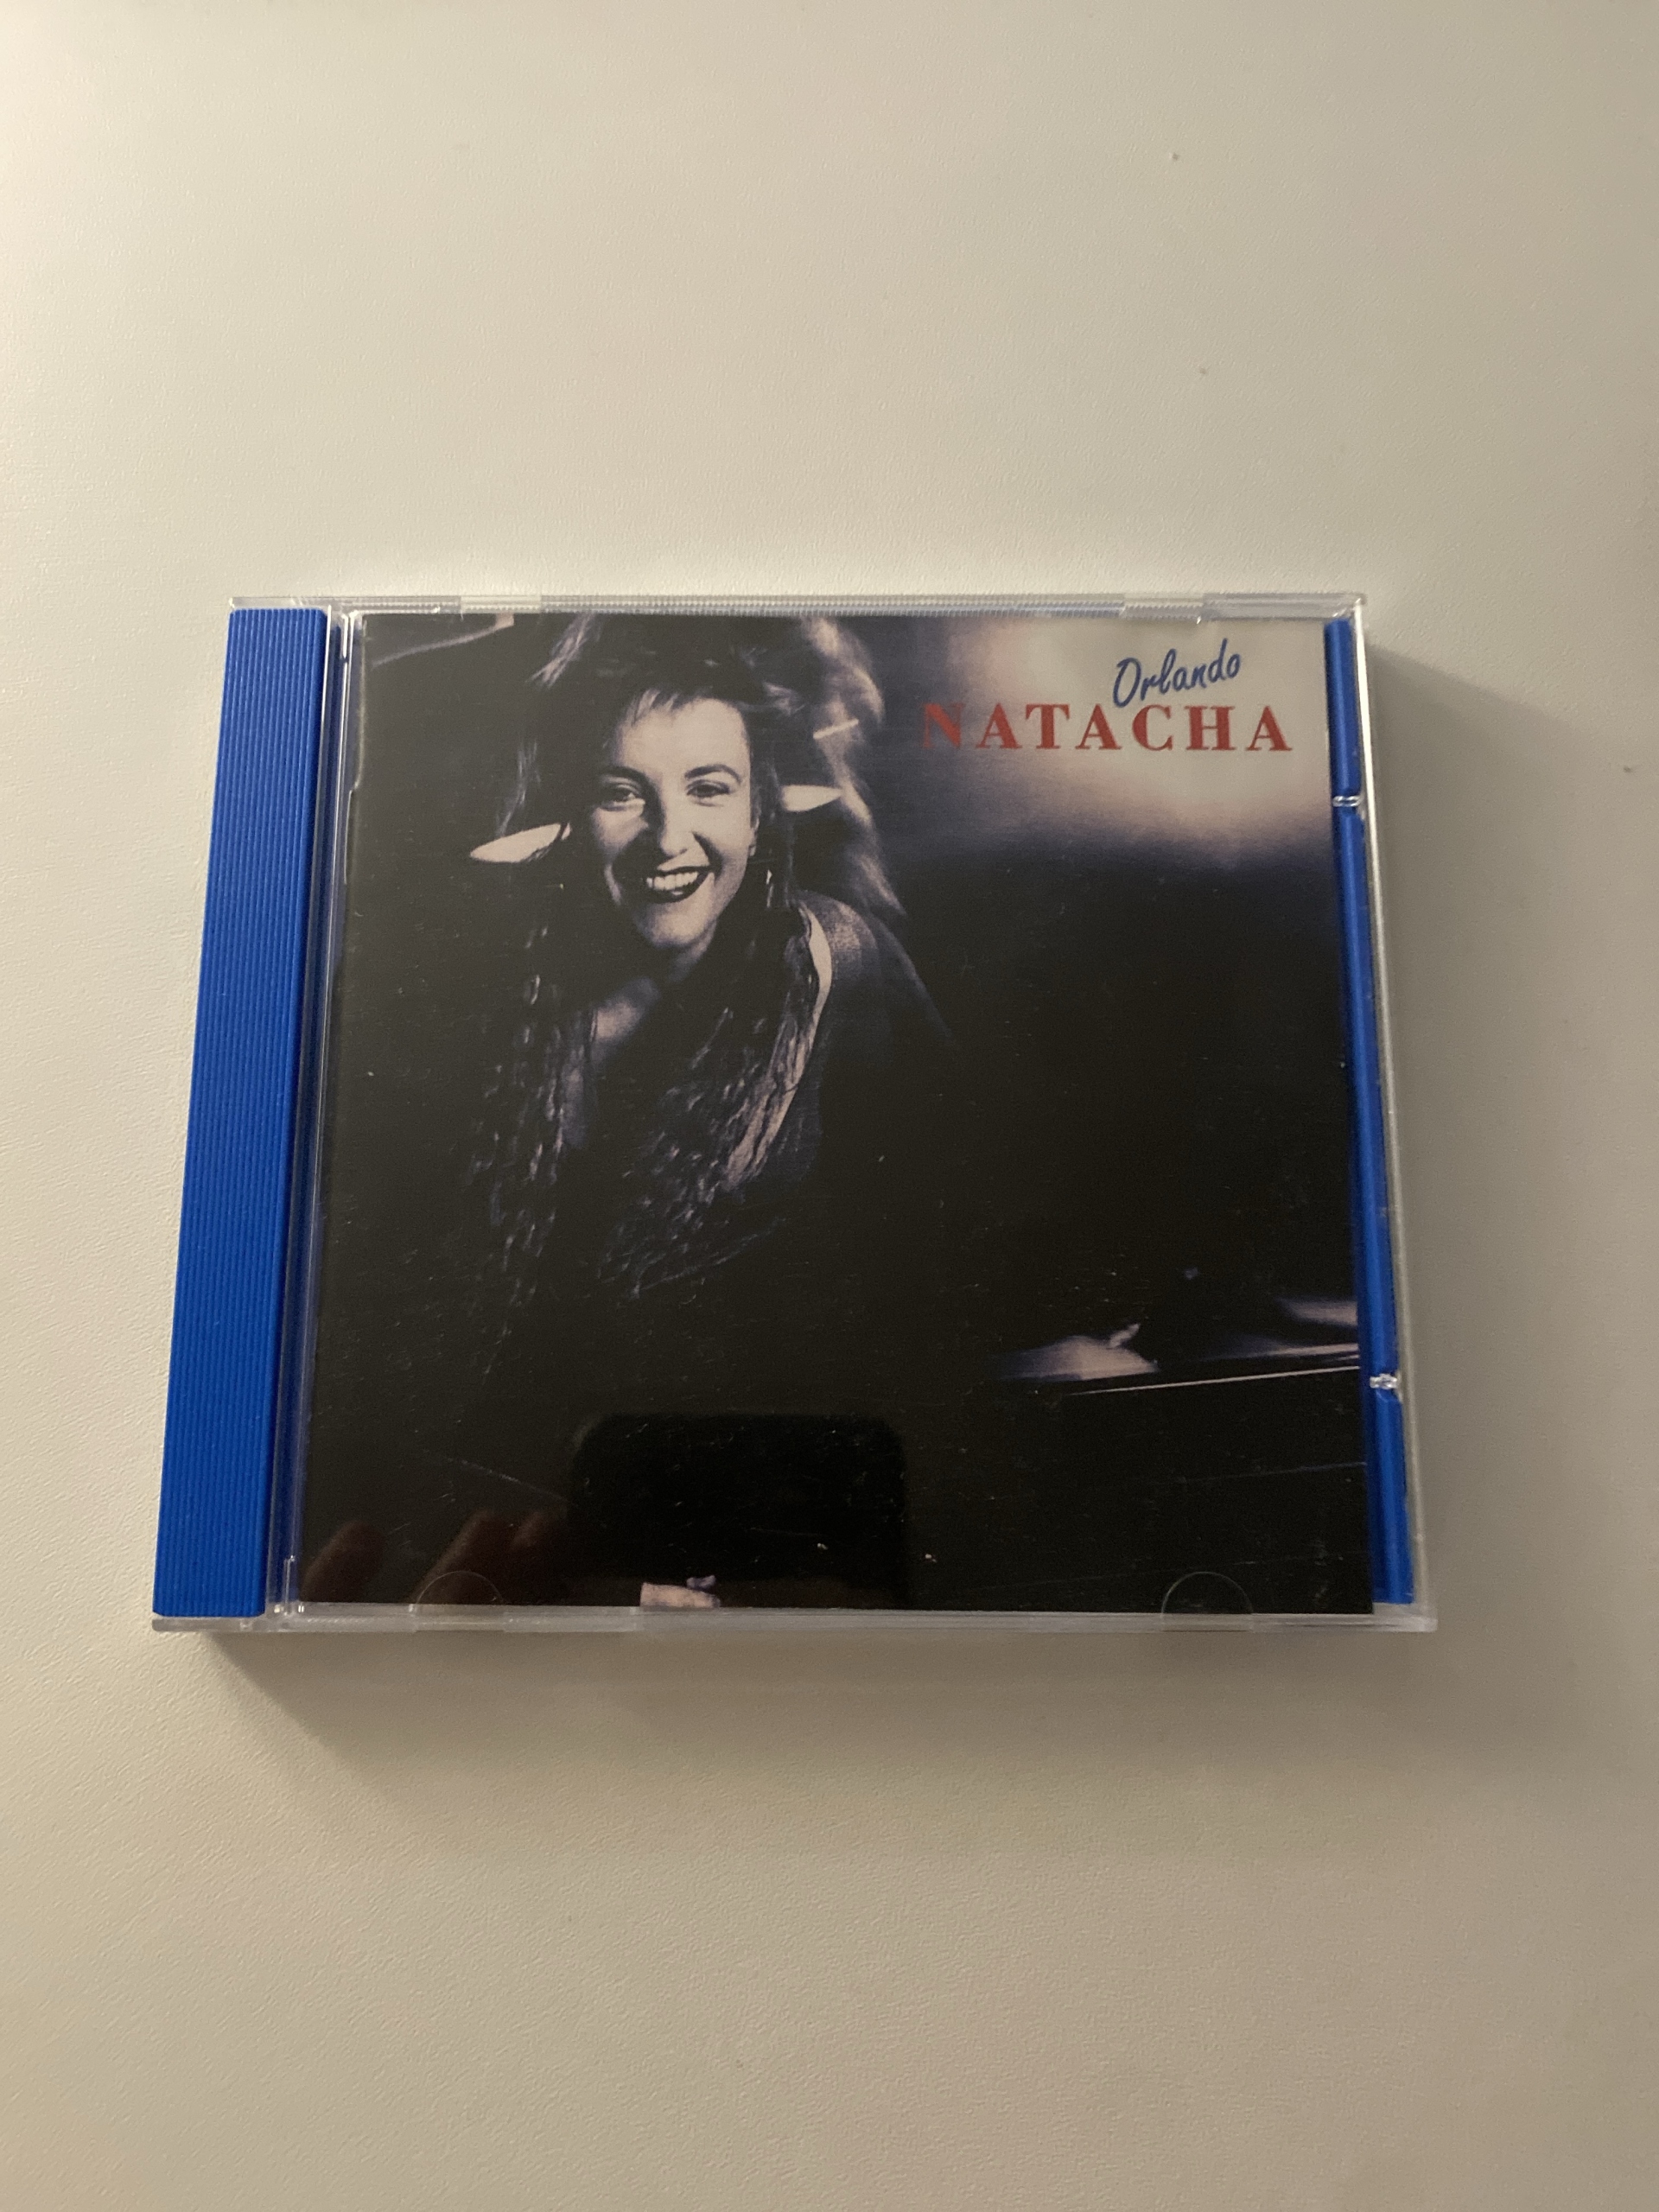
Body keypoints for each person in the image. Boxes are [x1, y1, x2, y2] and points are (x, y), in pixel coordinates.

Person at [360, 613, 962, 1607]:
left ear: (759, 813)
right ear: (574, 813)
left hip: (752, 1522)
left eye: (708, 789)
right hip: (513, 1521)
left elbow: (965, 1216)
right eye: (622, 793)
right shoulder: (499, 1004)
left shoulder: (833, 963)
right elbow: (411, 1342)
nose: (669, 837)